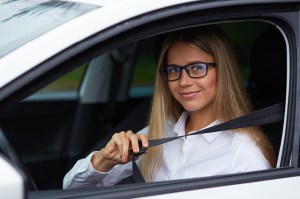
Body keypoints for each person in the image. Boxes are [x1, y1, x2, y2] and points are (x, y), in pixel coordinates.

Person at [63, 25, 276, 188]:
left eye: (197, 68)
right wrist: (103, 160)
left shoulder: (244, 153)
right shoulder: (157, 132)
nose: (183, 81)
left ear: (223, 71)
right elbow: (71, 188)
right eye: (173, 70)